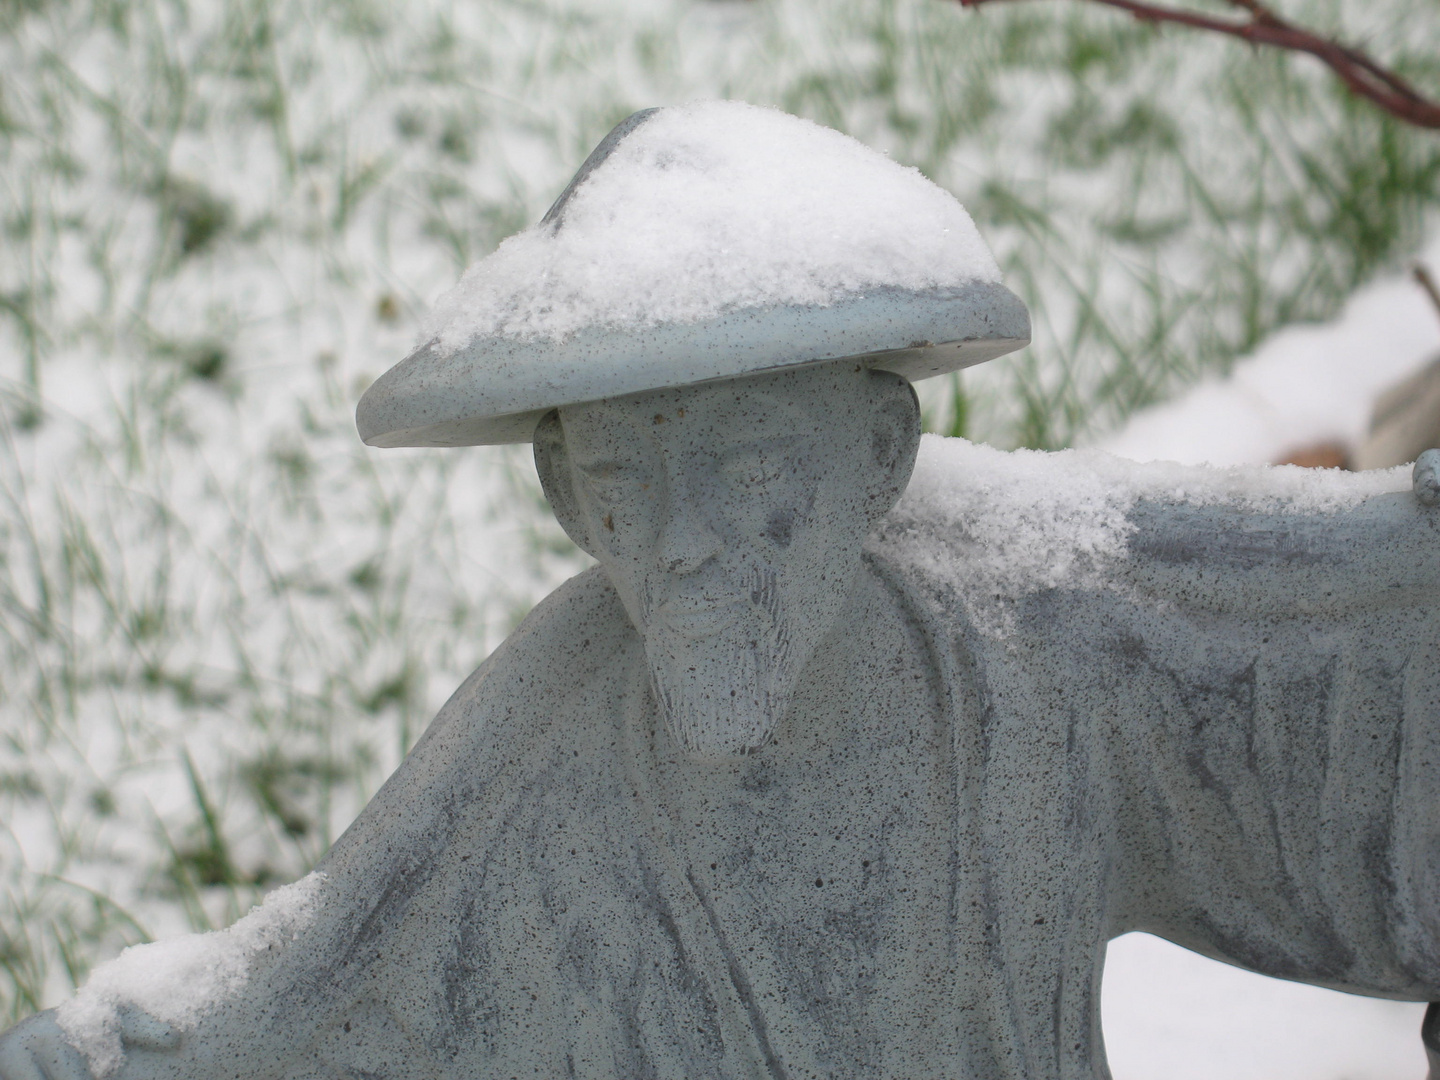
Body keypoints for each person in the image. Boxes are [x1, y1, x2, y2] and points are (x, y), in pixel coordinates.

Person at [3, 101, 1438, 1080]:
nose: (681, 539)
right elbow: (321, 980)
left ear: (882, 458)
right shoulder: (541, 760)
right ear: (564, 498)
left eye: (749, 463)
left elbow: (1317, 617)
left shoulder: (1034, 637)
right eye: (623, 479)